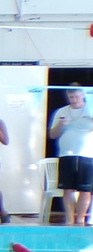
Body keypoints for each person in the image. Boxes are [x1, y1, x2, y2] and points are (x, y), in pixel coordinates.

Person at [49, 84, 92, 226]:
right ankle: (69, 219)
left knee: (85, 190)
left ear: (83, 95)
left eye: (77, 96)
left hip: (88, 155)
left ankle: (80, 219)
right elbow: (53, 135)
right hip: (66, 155)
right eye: (71, 97)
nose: (74, 100)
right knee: (68, 189)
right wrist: (61, 124)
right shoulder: (62, 111)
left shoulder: (91, 109)